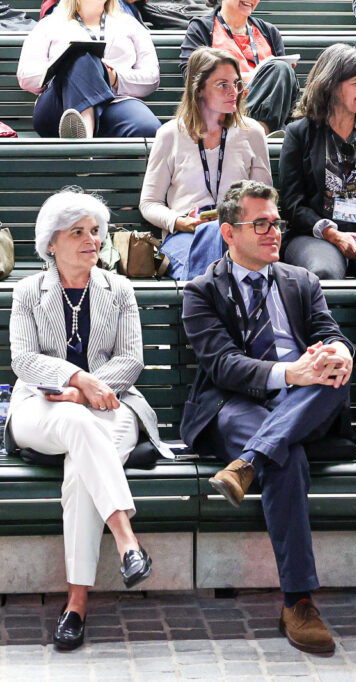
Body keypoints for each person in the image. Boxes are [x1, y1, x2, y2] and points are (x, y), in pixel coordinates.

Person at [181, 180, 355, 654]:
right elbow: (222, 365)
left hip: (306, 400)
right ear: (228, 233)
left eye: (275, 222)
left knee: (333, 381)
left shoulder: (302, 281)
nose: (274, 231)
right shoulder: (201, 291)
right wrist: (289, 373)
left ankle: (247, 464)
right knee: (288, 457)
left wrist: (339, 353)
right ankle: (298, 602)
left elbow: (330, 333)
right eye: (260, 224)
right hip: (235, 403)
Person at [8, 189, 159, 651]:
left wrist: (89, 390)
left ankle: (76, 603)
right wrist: (75, 382)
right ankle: (127, 540)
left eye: (95, 231)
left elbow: (131, 360)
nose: (92, 240)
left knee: (82, 469)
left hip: (112, 405)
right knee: (77, 427)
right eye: (78, 232)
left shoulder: (119, 289)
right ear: (51, 243)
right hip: (41, 407)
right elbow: (24, 361)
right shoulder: (29, 290)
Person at [140, 47, 271, 281]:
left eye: (237, 84)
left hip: (239, 230)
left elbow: (264, 200)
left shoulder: (252, 133)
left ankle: (202, 307)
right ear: (199, 89)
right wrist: (179, 222)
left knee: (219, 240)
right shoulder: (170, 134)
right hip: (185, 234)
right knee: (219, 254)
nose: (234, 92)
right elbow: (149, 203)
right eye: (223, 85)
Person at [279, 44, 356, 281]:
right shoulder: (299, 133)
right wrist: (332, 233)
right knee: (323, 271)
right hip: (318, 236)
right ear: (332, 86)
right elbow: (293, 205)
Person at [17, 0, 160, 138]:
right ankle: (83, 144)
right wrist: (65, 68)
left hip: (115, 102)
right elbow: (26, 76)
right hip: (60, 105)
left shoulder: (130, 24)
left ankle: (82, 140)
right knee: (81, 55)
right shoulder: (49, 24)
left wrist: (114, 78)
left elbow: (151, 78)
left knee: (147, 127)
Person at [178, 0, 300, 134]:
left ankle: (260, 131)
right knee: (279, 68)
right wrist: (255, 75)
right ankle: (257, 133)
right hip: (226, 109)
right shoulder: (202, 28)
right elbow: (193, 77)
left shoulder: (269, 31)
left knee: (282, 70)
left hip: (270, 111)